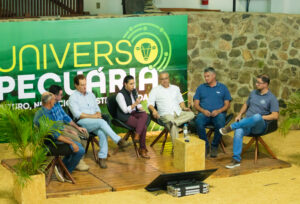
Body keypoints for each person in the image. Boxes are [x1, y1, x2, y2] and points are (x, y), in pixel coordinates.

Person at [68, 74, 130, 169]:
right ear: (76, 85)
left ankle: (102, 157)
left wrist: (97, 113)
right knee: (101, 122)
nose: (84, 87)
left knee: (102, 132)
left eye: (85, 84)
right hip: (82, 123)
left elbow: (97, 109)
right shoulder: (73, 98)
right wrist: (94, 116)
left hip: (94, 121)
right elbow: (77, 115)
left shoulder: (91, 95)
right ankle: (118, 140)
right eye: (81, 85)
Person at [219, 74, 279, 169]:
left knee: (257, 117)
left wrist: (261, 117)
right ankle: (236, 160)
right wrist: (239, 115)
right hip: (247, 124)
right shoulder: (253, 93)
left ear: (266, 84)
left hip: (260, 126)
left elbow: (275, 116)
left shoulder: (271, 98)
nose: (256, 84)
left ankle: (232, 127)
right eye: (256, 82)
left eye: (259, 83)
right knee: (238, 131)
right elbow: (246, 105)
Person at [34, 92, 85, 182]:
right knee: (80, 149)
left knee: (75, 144)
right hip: (50, 145)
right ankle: (65, 172)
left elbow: (56, 129)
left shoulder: (40, 112)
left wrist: (67, 131)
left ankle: (61, 168)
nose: (55, 101)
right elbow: (56, 136)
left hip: (48, 141)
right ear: (50, 102)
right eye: (54, 99)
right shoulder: (47, 116)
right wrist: (71, 142)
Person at [48, 84, 89, 171]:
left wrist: (77, 128)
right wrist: (69, 131)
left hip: (63, 126)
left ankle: (79, 160)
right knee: (76, 138)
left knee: (84, 134)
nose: (62, 96)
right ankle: (74, 162)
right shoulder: (49, 107)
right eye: (61, 95)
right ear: (54, 96)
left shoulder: (58, 104)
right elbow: (54, 126)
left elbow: (66, 117)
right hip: (58, 130)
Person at [193, 67, 232, 158]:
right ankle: (205, 145)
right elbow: (196, 104)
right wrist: (203, 110)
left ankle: (214, 146)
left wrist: (218, 111)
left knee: (220, 123)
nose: (206, 78)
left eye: (208, 76)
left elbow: (227, 105)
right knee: (198, 122)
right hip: (204, 113)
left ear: (214, 76)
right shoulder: (200, 88)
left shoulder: (223, 88)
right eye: (205, 76)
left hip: (218, 113)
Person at [148, 72, 195, 144]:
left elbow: (181, 101)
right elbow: (150, 104)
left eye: (166, 78)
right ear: (159, 80)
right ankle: (178, 146)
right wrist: (154, 110)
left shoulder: (175, 88)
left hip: (178, 113)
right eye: (162, 79)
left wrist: (184, 108)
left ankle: (175, 123)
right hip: (165, 114)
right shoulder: (155, 90)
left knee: (191, 114)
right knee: (175, 125)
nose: (165, 81)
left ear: (169, 78)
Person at [116, 75, 150, 159]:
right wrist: (135, 104)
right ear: (125, 84)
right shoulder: (120, 95)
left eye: (133, 84)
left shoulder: (134, 91)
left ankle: (137, 135)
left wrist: (140, 107)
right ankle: (142, 149)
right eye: (131, 84)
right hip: (124, 116)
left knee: (145, 114)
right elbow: (125, 110)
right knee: (144, 127)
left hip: (133, 112)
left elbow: (137, 104)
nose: (133, 86)